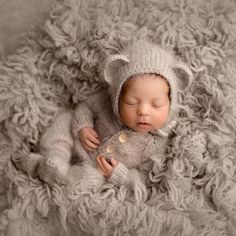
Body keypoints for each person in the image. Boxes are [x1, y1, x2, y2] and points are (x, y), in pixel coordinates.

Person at [12, 39, 192, 189]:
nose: (143, 111)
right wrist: (83, 126)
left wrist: (119, 175)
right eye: (131, 102)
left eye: (156, 104)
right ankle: (55, 158)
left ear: (170, 104)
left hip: (95, 168)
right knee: (63, 122)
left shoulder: (157, 144)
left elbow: (144, 179)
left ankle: (48, 170)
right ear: (117, 96)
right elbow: (85, 107)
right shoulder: (105, 104)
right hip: (73, 142)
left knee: (93, 180)